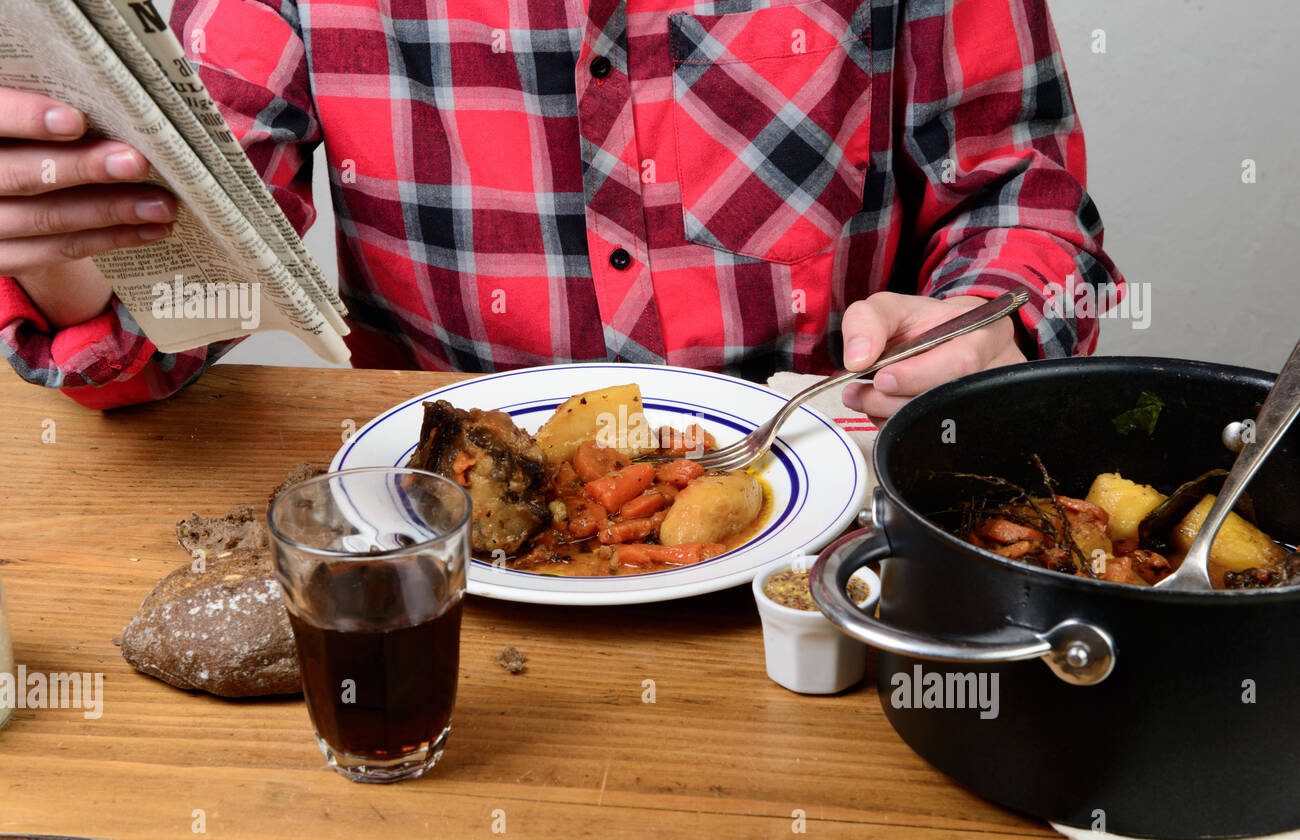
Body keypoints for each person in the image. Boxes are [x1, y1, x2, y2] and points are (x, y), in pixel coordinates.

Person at [0, 0, 1120, 420]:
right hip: (447, 567)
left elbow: (1025, 199)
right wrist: (67, 240)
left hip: (823, 538)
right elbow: (178, 297)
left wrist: (991, 323)